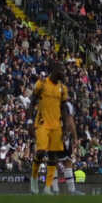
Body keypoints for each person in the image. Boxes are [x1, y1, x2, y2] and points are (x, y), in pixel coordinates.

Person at [29, 64, 72, 195]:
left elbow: (64, 108)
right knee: (41, 151)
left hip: (56, 126)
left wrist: (65, 128)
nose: (64, 74)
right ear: (55, 71)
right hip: (42, 123)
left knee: (53, 156)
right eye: (62, 71)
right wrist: (29, 122)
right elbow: (32, 102)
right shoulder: (42, 83)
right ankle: (34, 177)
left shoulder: (62, 88)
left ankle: (47, 187)